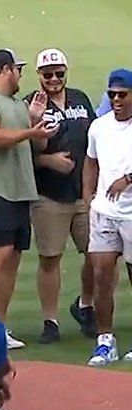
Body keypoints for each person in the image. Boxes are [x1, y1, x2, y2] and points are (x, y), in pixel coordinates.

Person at [0, 49, 57, 350]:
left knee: (13, 258)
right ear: (6, 69)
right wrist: (29, 128)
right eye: (18, 69)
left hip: (19, 190)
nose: (20, 75)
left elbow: (32, 142)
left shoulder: (16, 104)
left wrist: (34, 123)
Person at [26, 48, 97, 343]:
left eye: (59, 73)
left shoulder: (80, 99)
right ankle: (50, 321)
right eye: (48, 74)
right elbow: (24, 151)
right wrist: (47, 158)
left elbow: (93, 139)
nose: (54, 79)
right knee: (50, 258)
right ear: (39, 76)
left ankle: (85, 306)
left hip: (83, 193)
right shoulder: (30, 104)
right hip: (49, 194)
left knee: (96, 255)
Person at [83, 69, 132, 367]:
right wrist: (89, 197)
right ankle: (105, 341)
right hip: (104, 213)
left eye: (122, 94)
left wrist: (127, 178)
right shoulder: (98, 127)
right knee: (101, 275)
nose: (116, 100)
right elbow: (91, 162)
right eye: (111, 94)